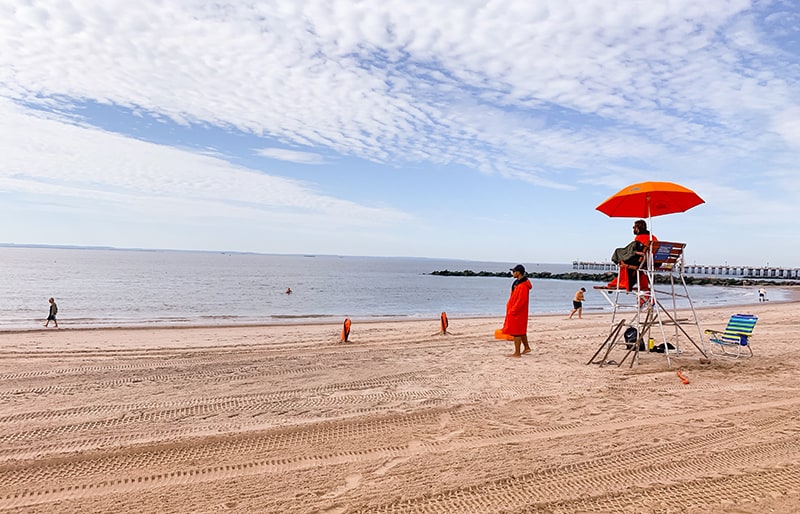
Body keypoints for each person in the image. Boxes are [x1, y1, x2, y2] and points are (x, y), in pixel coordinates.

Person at [607, 219, 657, 292]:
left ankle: (622, 284)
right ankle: (642, 285)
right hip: (652, 261)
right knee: (635, 267)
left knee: (623, 262)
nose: (633, 229)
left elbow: (636, 251)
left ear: (637, 228)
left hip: (643, 261)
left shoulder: (640, 237)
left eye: (634, 227)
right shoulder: (653, 237)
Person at [502, 264, 532, 358]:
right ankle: (527, 347)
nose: (513, 273)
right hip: (514, 310)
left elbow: (521, 300)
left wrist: (514, 310)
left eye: (514, 271)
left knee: (517, 332)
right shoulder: (517, 282)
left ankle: (517, 353)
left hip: (518, 311)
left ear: (518, 272)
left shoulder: (523, 285)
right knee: (521, 330)